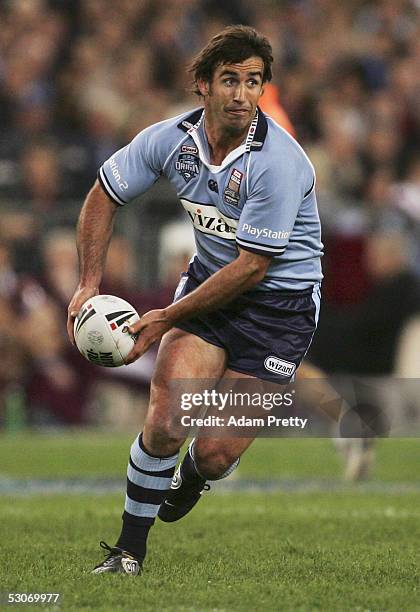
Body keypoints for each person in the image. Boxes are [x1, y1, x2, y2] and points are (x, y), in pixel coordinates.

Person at [67, 25, 323, 576]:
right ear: (202, 85)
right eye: (230, 80)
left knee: (214, 452)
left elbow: (253, 267)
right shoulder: (169, 141)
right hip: (209, 294)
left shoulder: (279, 163)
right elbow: (103, 194)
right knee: (164, 422)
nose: (242, 94)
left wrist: (163, 317)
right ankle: (129, 552)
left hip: (281, 313)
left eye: (253, 82)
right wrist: (88, 283)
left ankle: (196, 478)